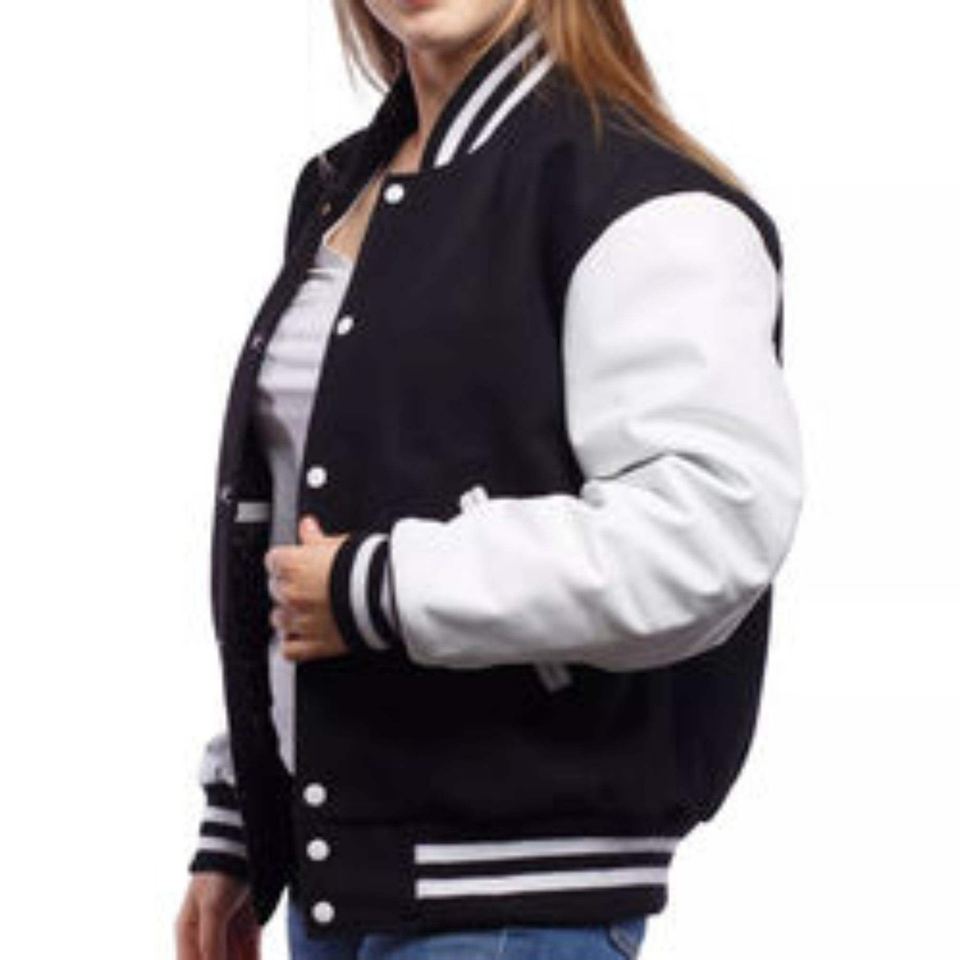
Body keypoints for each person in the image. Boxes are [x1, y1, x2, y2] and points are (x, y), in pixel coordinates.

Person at [174, 1, 804, 958]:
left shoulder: (637, 195)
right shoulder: (338, 189)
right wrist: (243, 811)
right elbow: (303, 512)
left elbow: (710, 527)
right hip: (336, 878)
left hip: (516, 901)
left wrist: (383, 587)